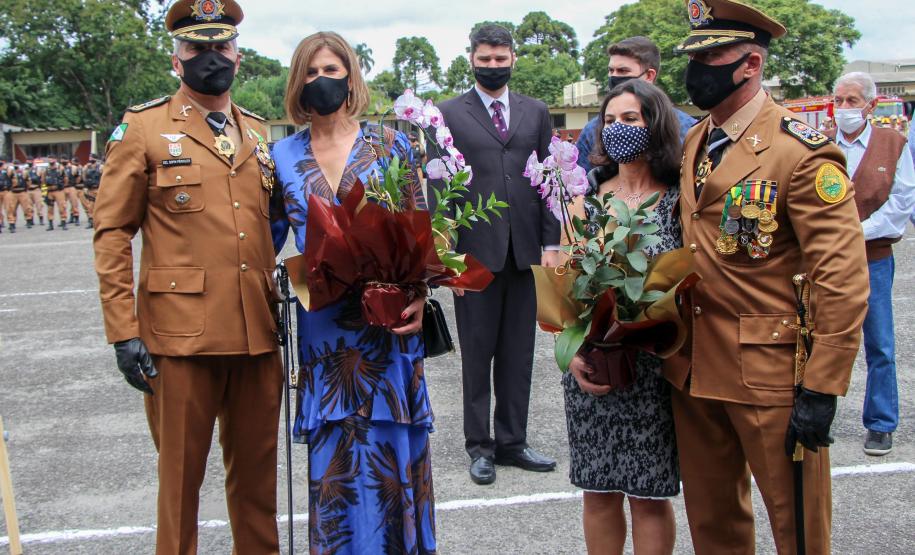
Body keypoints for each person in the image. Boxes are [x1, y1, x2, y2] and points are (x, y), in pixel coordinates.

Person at [667, 0, 869, 552]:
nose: (696, 70)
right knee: (713, 527)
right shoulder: (696, 141)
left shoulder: (800, 152)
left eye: (711, 57)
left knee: (797, 527)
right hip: (695, 368)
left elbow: (841, 276)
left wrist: (824, 383)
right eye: (694, 56)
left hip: (770, 373)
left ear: (751, 64)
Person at [92, 1, 283, 553]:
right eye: (198, 48)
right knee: (179, 487)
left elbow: (269, 226)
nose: (211, 58)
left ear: (238, 57)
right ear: (177, 60)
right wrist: (122, 331)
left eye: (221, 46)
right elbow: (112, 232)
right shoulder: (143, 128)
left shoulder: (258, 131)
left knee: (258, 486)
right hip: (179, 339)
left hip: (256, 332)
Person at [270, 31, 436, 553]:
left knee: (389, 456)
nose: (321, 80)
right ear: (297, 83)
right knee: (337, 463)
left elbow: (420, 231)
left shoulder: (391, 145)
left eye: (331, 70)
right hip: (324, 332)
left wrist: (420, 295)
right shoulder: (279, 156)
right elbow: (262, 241)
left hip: (387, 325)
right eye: (311, 72)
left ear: (351, 77)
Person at [433, 24, 561, 486]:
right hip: (474, 257)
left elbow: (550, 181)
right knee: (477, 354)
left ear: (513, 59)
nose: (493, 66)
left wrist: (551, 245)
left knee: (518, 354)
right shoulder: (448, 113)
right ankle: (480, 447)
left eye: (500, 58)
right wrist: (447, 257)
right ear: (471, 58)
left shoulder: (536, 112)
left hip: (525, 253)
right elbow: (439, 189)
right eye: (485, 59)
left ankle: (512, 441)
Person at [564, 79, 682, 555]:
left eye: (630, 119)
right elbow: (566, 282)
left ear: (655, 124)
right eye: (609, 120)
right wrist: (571, 350)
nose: (617, 128)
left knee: (649, 496)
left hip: (654, 369)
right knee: (597, 491)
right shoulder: (587, 196)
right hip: (593, 366)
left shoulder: (679, 199)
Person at [827, 72, 915, 456]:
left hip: (872, 258)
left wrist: (855, 233)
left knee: (879, 343)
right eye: (838, 100)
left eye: (852, 101)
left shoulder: (893, 144)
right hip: (825, 261)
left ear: (871, 105)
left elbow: (901, 203)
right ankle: (819, 414)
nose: (843, 108)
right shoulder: (819, 143)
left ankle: (881, 423)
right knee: (821, 339)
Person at [577, 36, 697, 172]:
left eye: (623, 71)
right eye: (611, 70)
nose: (614, 77)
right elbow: (580, 180)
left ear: (649, 76)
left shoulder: (688, 129)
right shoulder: (593, 130)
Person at [5, 161, 33, 232]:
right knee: (11, 208)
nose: (16, 166)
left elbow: (28, 181)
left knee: (27, 207)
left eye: (17, 165)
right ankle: (12, 223)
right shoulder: (10, 172)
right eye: (14, 165)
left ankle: (28, 220)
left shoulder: (24, 172)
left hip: (22, 191)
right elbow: (7, 178)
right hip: (13, 192)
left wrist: (26, 188)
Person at [43, 158, 68, 231]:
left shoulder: (60, 169)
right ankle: (50, 224)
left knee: (62, 207)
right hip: (50, 191)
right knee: (50, 208)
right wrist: (44, 193)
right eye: (49, 159)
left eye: (52, 159)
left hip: (58, 191)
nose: (51, 161)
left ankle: (63, 223)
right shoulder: (46, 170)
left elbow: (66, 179)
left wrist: (63, 187)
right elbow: (43, 181)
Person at [81, 155, 102, 228]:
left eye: (92, 158)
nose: (90, 159)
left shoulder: (100, 167)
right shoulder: (87, 167)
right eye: (90, 158)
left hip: (99, 189)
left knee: (100, 205)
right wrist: (85, 169)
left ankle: (101, 221)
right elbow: (84, 178)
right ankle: (91, 222)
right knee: (90, 206)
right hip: (90, 189)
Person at [62, 157, 81, 225]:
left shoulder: (73, 167)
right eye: (62, 159)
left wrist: (75, 183)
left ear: (67, 160)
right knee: (62, 205)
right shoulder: (60, 167)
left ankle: (76, 218)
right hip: (62, 188)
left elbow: (78, 177)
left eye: (64, 159)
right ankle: (63, 220)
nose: (63, 161)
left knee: (74, 203)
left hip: (71, 187)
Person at [26, 160, 44, 227]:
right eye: (28, 162)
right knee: (29, 206)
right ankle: (31, 220)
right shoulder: (25, 170)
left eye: (30, 161)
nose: (29, 163)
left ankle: (41, 219)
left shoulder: (38, 170)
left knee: (39, 205)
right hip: (28, 190)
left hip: (36, 189)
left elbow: (42, 180)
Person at [0, 160, 10, 234]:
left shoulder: (5, 172)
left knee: (8, 208)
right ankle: (1, 222)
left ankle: (11, 222)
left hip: (5, 191)